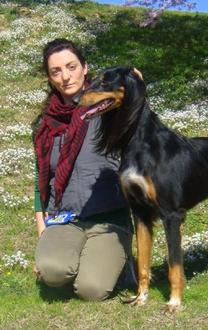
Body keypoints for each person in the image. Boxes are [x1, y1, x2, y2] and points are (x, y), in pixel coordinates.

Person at [33, 38, 136, 301]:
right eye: (56, 71)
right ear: (49, 77)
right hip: (64, 218)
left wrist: (134, 81)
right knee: (53, 273)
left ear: (85, 67)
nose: (66, 77)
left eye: (71, 66)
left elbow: (137, 107)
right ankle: (68, 256)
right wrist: (43, 234)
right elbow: (41, 183)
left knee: (92, 290)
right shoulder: (46, 124)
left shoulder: (111, 109)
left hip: (110, 220)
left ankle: (120, 264)